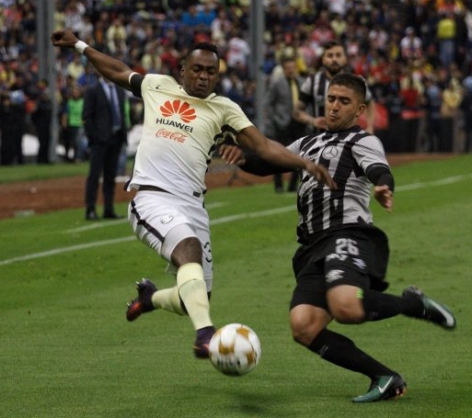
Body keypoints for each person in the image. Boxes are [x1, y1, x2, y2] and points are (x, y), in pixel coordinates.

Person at [50, 29, 334, 359]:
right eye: (197, 69)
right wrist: (80, 45)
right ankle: (205, 335)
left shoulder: (224, 109)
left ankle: (150, 298)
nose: (203, 76)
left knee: (194, 298)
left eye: (211, 71)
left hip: (193, 206)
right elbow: (116, 70)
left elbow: (264, 146)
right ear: (183, 70)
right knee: (189, 250)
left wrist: (303, 163)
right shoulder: (158, 86)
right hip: (153, 197)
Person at [240, 73, 456, 403]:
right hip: (311, 246)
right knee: (304, 326)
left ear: (359, 109)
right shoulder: (306, 143)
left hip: (347, 234)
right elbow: (268, 161)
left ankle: (413, 304)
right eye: (331, 99)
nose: (334, 106)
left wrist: (384, 186)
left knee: (346, 306)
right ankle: (384, 377)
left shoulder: (363, 141)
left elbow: (379, 170)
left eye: (344, 101)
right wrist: (241, 156)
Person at [293, 40, 376, 134]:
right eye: (330, 55)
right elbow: (297, 112)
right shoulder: (311, 81)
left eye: (338, 55)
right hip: (320, 138)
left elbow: (369, 102)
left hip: (349, 139)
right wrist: (312, 121)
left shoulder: (357, 82)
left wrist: (370, 126)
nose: (334, 59)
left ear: (345, 59)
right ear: (323, 59)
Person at [81, 70, 129, 220]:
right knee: (94, 175)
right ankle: (90, 209)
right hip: (100, 140)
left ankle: (109, 209)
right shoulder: (93, 90)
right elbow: (87, 116)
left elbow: (121, 113)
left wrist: (123, 134)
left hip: (116, 138)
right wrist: (94, 136)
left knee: (110, 176)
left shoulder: (119, 90)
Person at [263, 56, 305, 193]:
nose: (291, 70)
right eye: (288, 68)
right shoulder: (277, 83)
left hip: (298, 123)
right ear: (284, 69)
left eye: (293, 68)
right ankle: (278, 184)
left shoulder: (302, 82)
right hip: (282, 123)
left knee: (299, 154)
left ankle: (293, 185)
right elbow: (268, 102)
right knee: (279, 155)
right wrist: (275, 118)